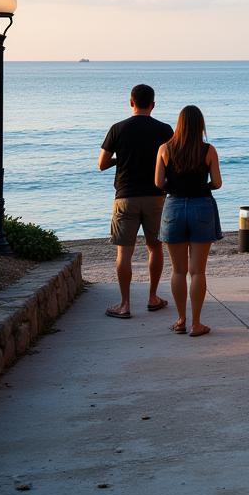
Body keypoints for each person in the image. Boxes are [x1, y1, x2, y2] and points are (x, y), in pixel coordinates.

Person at [98, 84, 173, 319]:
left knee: (124, 253)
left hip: (126, 196)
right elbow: (172, 161)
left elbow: (101, 163)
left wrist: (121, 158)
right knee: (155, 247)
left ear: (131, 102)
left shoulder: (117, 129)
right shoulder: (165, 129)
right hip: (155, 196)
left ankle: (125, 304)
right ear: (153, 104)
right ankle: (152, 297)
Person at [155, 106, 222, 337]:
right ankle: (196, 323)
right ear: (200, 124)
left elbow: (158, 182)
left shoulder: (165, 149)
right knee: (198, 271)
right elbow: (217, 182)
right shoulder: (208, 150)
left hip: (173, 206)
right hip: (201, 206)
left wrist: (175, 186)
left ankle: (181, 320)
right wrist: (204, 186)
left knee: (178, 270)